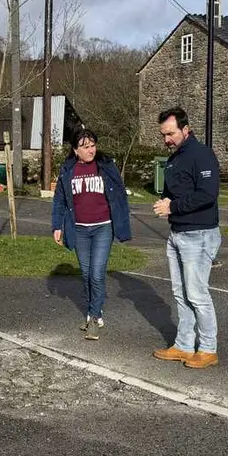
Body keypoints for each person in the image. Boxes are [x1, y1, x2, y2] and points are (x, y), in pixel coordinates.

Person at [151, 107, 223, 369]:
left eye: (170, 133)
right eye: (163, 135)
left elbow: (207, 194)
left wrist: (172, 206)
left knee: (197, 294)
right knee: (180, 293)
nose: (166, 139)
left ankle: (208, 349)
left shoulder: (201, 154)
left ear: (185, 129)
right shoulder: (174, 159)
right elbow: (175, 193)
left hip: (199, 234)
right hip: (178, 233)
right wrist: (167, 202)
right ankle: (183, 344)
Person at [51, 129, 132, 340]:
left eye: (93, 145)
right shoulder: (68, 170)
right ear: (75, 150)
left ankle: (94, 318)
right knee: (86, 274)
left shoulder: (105, 165)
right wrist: (57, 226)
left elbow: (119, 193)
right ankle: (93, 311)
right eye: (85, 147)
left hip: (103, 227)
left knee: (96, 273)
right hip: (78, 229)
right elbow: (59, 199)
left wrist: (122, 220)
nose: (90, 150)